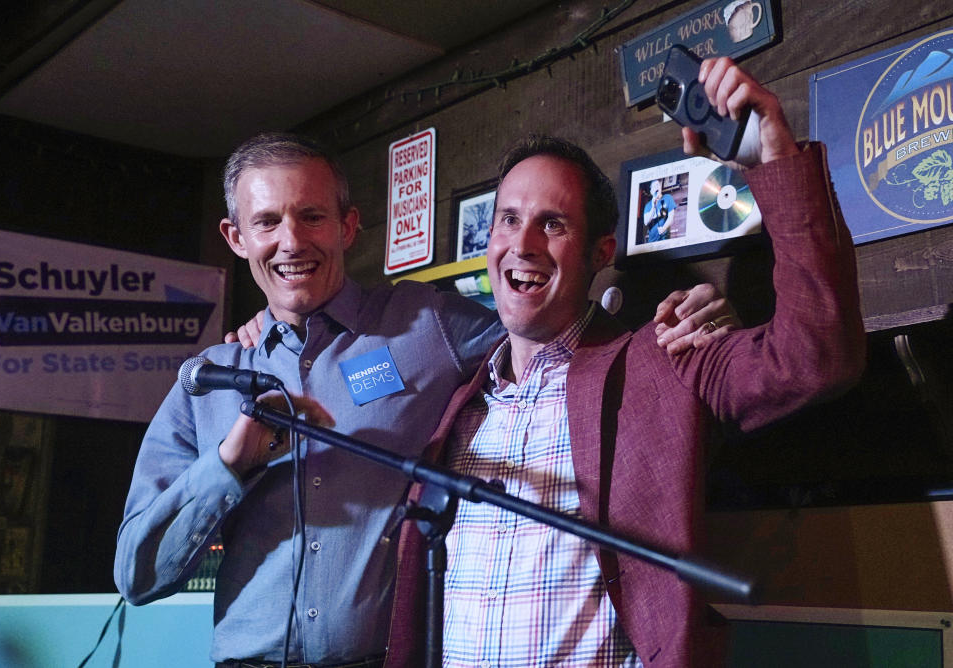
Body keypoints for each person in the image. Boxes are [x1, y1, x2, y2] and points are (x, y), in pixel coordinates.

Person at [114, 133, 736, 667]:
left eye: (312, 217)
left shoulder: (425, 324)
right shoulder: (210, 379)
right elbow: (137, 576)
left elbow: (550, 329)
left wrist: (679, 326)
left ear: (349, 226)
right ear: (235, 236)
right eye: (267, 222)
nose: (292, 241)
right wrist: (228, 466)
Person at [384, 57, 866, 668]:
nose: (522, 243)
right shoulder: (463, 406)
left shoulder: (659, 360)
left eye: (551, 223)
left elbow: (817, 357)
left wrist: (776, 161)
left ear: (599, 252)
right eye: (509, 219)